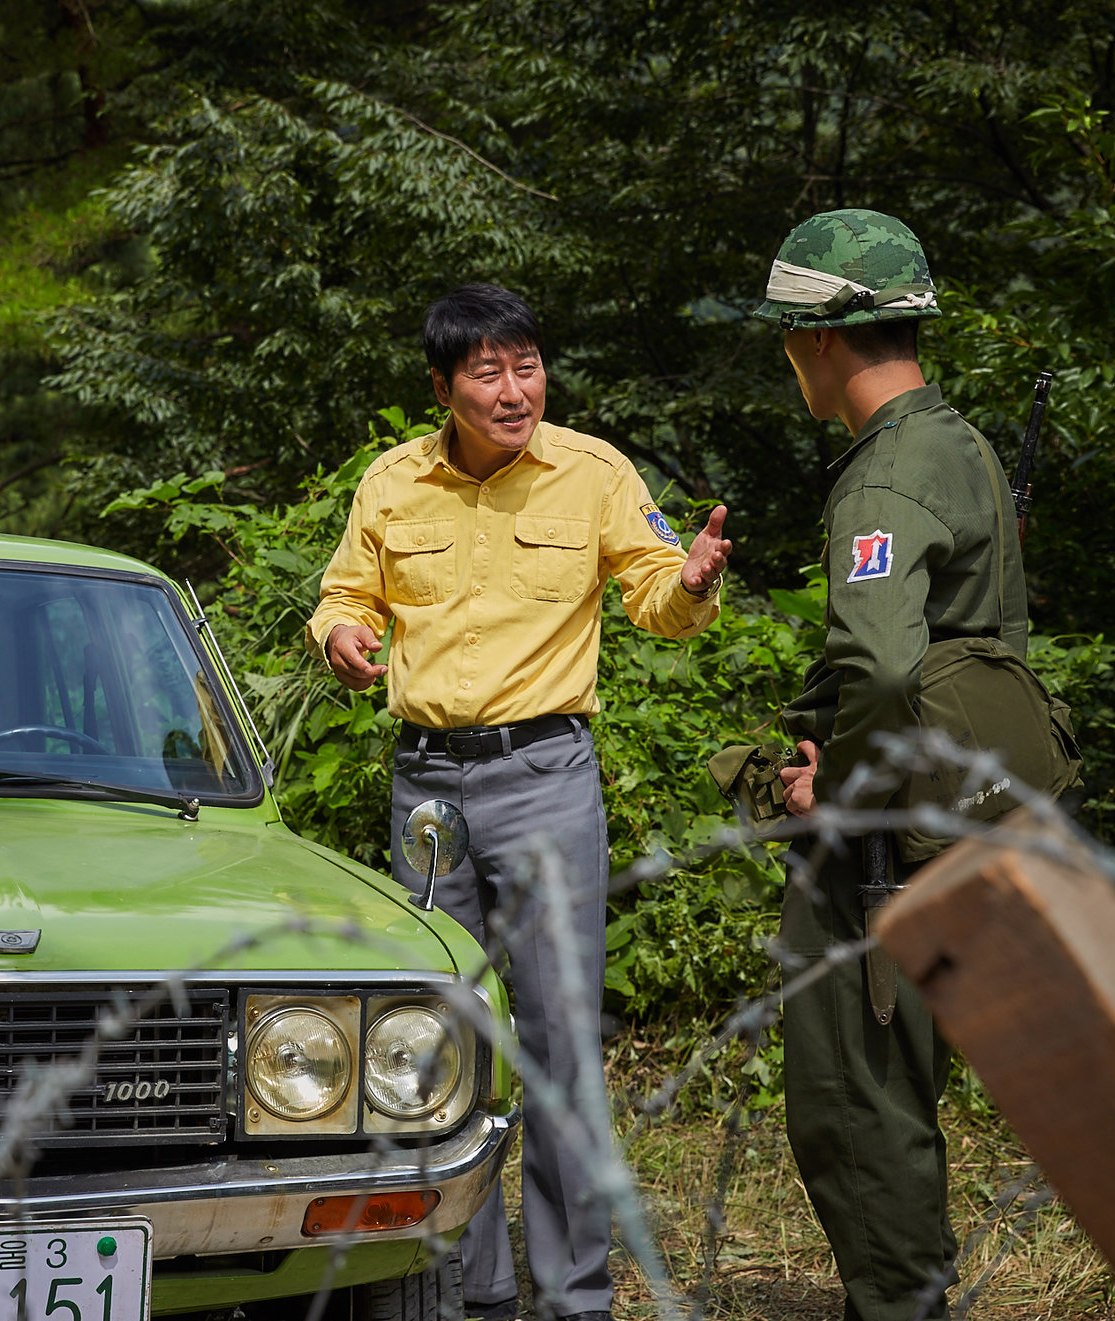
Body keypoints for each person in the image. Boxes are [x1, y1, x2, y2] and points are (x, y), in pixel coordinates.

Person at [306, 285, 731, 1321]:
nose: (514, 390)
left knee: (555, 1041)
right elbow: (342, 594)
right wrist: (341, 637)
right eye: (488, 372)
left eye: (527, 365)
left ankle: (572, 1296)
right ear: (444, 388)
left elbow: (655, 600)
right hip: (425, 786)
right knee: (436, 1043)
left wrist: (694, 581)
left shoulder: (592, 473)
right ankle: (461, 1289)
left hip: (543, 778)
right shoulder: (393, 481)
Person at [759, 209, 1016, 1321]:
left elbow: (873, 665)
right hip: (963, 816)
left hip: (879, 845)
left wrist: (837, 788)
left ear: (818, 340)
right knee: (905, 1086)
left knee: (853, 1103)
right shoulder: (959, 444)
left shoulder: (880, 480)